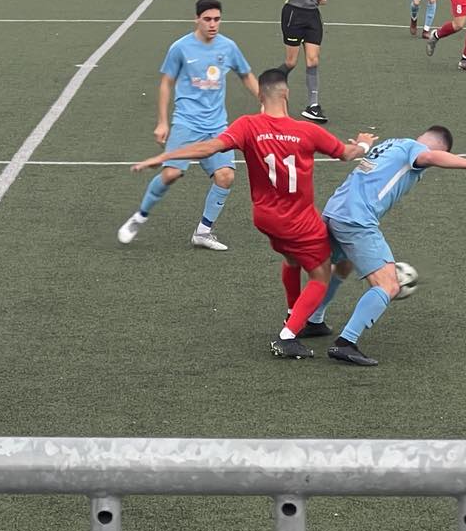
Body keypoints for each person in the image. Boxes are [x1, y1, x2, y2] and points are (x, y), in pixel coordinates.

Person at [131, 69, 376, 358]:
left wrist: (165, 156)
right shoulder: (307, 131)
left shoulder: (247, 125)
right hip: (298, 220)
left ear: (260, 95)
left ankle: (292, 312)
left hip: (265, 218)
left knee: (291, 258)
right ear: (286, 94)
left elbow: (209, 148)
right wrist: (363, 143)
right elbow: (347, 153)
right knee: (321, 276)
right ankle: (288, 336)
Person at [306, 127, 466, 366]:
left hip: (334, 212)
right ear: (440, 148)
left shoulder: (390, 144)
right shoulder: (416, 149)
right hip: (356, 219)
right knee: (389, 285)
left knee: (342, 266)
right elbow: (430, 156)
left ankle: (314, 320)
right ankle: (346, 342)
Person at [117, 0, 257, 251]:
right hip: (186, 122)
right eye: (207, 19)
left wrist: (264, 101)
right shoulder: (180, 48)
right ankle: (140, 216)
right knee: (171, 174)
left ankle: (203, 232)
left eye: (217, 19)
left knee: (225, 176)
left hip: (216, 126)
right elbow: (166, 83)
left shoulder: (228, 47)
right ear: (196, 19)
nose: (212, 24)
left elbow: (246, 75)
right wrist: (162, 122)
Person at [271, 0, 328, 123]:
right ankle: (271, 86)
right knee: (291, 62)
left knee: (313, 61)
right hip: (293, 14)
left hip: (313, 15)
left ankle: (313, 106)